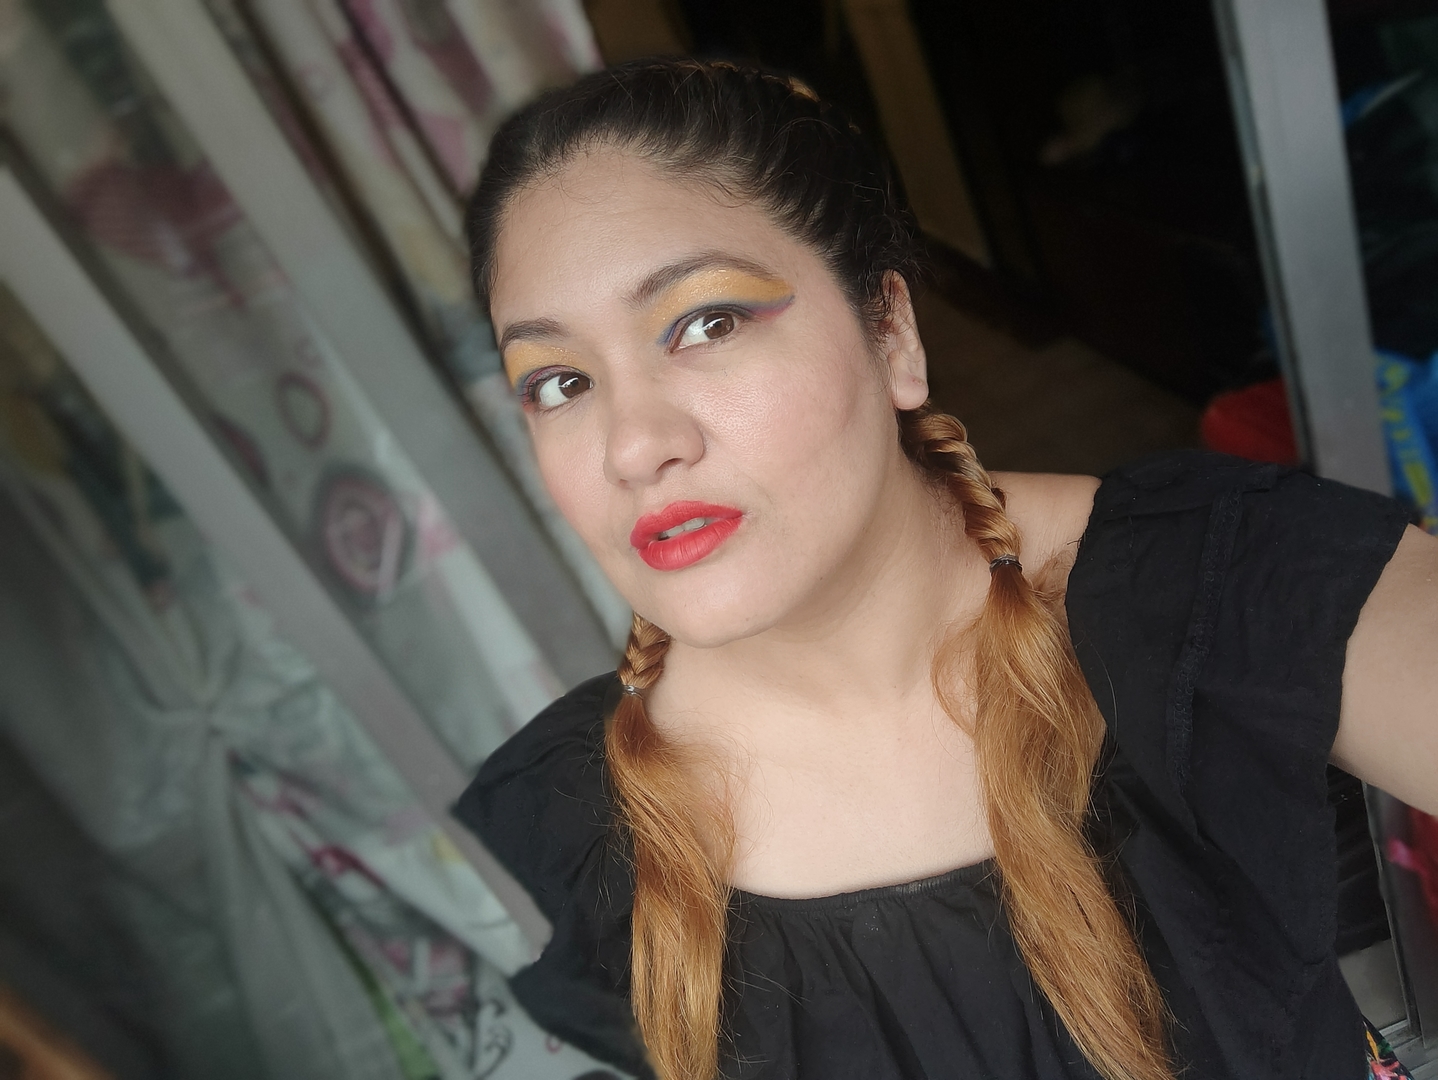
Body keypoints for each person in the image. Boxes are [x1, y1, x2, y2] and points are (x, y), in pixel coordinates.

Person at [454, 59, 1438, 1080]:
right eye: (558, 382)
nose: (631, 446)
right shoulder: (584, 822)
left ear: (890, 332)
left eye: (707, 323)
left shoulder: (1203, 585)